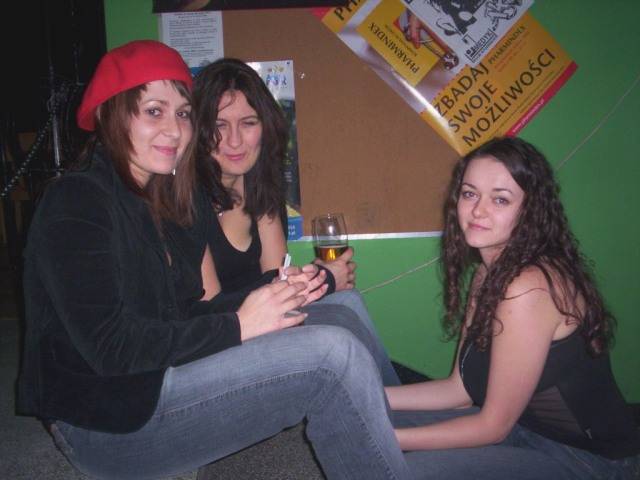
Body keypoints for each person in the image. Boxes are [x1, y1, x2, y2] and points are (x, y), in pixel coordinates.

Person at [16, 40, 412, 480]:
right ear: (112, 113)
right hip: (107, 423)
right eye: (154, 111)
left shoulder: (158, 202)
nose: (174, 130)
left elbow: (184, 314)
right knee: (330, 355)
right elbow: (112, 348)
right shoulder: (76, 200)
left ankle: (402, 430)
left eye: (183, 113)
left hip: (157, 378)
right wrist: (240, 324)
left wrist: (276, 294)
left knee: (339, 309)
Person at [385, 136, 640, 479]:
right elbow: (459, 390)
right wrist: (374, 397)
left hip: (589, 460)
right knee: (373, 418)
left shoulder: (528, 287)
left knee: (404, 469)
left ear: (529, 211)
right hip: (523, 429)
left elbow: (492, 427)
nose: (478, 210)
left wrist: (388, 440)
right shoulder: (486, 273)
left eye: (500, 199)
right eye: (469, 193)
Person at [190, 57, 401, 385]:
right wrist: (319, 278)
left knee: (347, 300)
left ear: (265, 127)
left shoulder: (259, 185)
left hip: (264, 324)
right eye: (220, 125)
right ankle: (386, 401)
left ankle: (390, 400)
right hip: (218, 342)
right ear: (199, 130)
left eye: (248, 123)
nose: (234, 140)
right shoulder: (187, 199)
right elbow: (213, 310)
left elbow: (276, 277)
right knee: (335, 342)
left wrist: (311, 280)